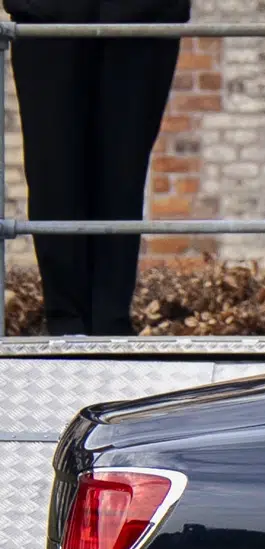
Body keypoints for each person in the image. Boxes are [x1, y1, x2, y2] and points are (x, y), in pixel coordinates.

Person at [4, 0, 191, 335]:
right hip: (46, 13)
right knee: (52, 171)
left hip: (143, 14)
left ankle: (111, 322)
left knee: (124, 174)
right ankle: (64, 320)